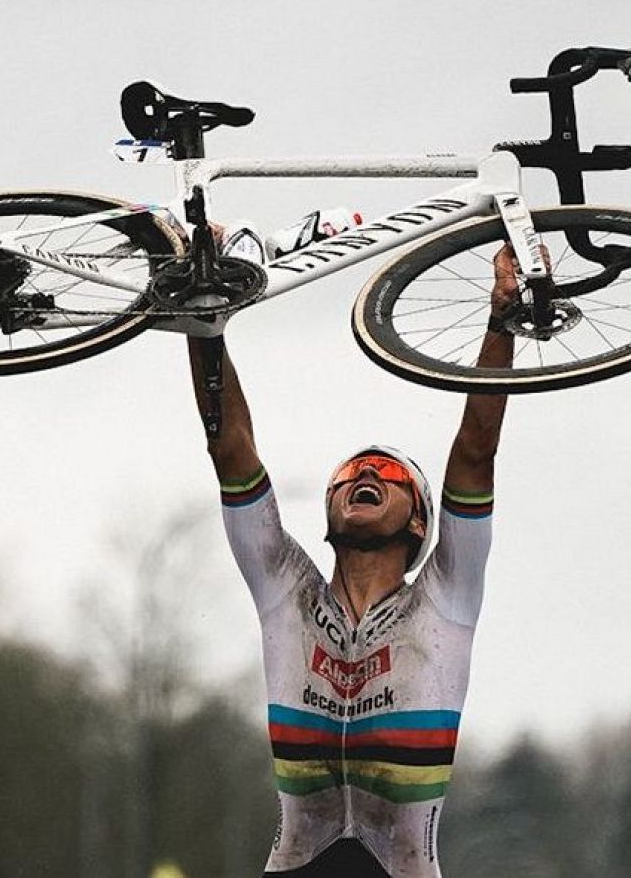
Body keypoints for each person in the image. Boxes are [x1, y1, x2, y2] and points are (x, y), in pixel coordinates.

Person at [186, 243, 520, 877]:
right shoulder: (286, 589)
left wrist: (501, 318)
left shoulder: (446, 597)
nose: (365, 472)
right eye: (347, 475)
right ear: (330, 514)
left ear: (421, 520)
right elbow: (229, 450)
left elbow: (476, 453)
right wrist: (204, 323)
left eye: (388, 473)